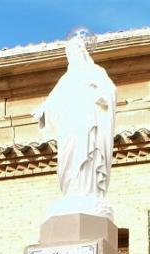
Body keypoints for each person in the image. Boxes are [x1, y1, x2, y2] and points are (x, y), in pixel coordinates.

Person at [33, 31, 116, 218]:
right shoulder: (66, 79)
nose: (71, 56)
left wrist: (100, 97)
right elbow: (53, 103)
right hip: (70, 128)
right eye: (68, 53)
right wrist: (43, 111)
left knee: (87, 159)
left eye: (74, 51)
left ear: (82, 51)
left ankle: (87, 192)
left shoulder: (95, 73)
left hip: (89, 126)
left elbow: (110, 91)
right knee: (68, 158)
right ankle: (72, 192)